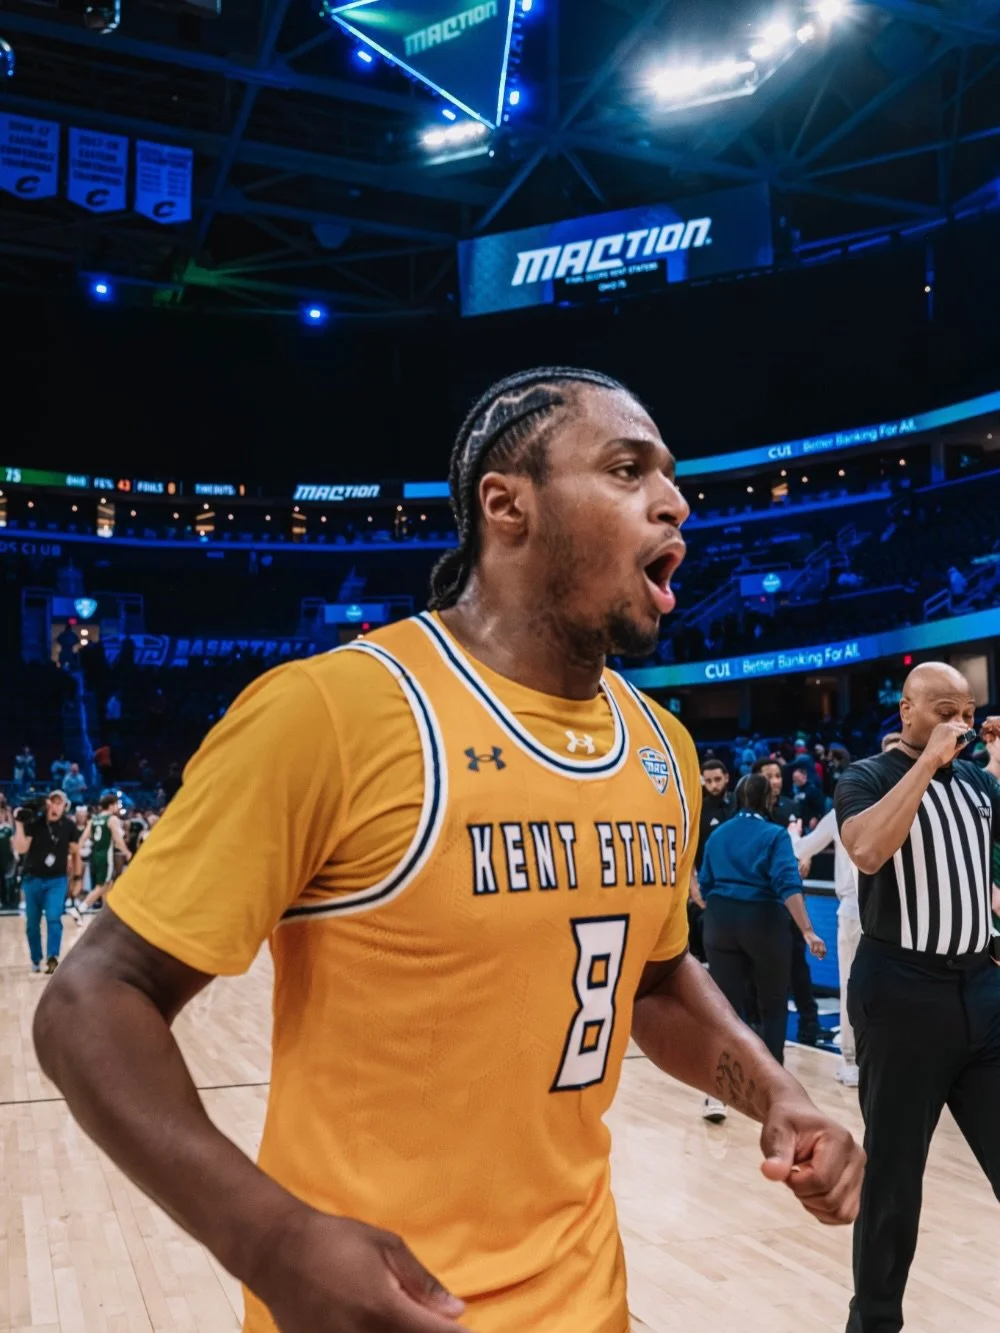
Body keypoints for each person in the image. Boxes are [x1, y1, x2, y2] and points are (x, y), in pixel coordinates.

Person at [33, 368, 863, 1333]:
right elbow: (92, 998)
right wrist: (267, 1238)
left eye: (670, 477)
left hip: (593, 1303)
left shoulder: (663, 747)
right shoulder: (333, 712)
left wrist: (775, 1090)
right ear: (505, 505)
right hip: (373, 1310)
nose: (674, 500)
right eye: (627, 468)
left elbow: (650, 978)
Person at [836, 663, 1000, 1333]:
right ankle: (874, 1322)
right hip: (901, 992)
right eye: (943, 712)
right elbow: (868, 850)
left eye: (966, 711)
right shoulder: (866, 777)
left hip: (981, 989)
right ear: (907, 710)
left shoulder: (977, 784)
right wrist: (928, 762)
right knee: (895, 1183)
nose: (957, 724)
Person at [699, 773, 826, 1121]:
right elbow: (788, 884)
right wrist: (809, 932)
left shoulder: (718, 833)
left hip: (720, 922)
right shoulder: (774, 835)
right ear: (768, 801)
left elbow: (704, 883)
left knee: (725, 1011)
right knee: (772, 1006)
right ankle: (773, 1094)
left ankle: (716, 1095)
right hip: (763, 922)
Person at [791, 768, 861, 1087]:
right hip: (894, 910)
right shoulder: (893, 805)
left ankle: (852, 1061)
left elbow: (801, 850)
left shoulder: (838, 814)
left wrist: (793, 833)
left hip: (854, 909)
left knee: (851, 983)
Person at [753, 755, 822, 1045]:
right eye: (769, 776)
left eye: (778, 775)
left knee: (798, 963)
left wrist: (806, 857)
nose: (776, 781)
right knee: (758, 965)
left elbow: (803, 844)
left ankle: (809, 1023)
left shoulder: (792, 808)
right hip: (760, 898)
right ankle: (755, 1024)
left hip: (789, 896)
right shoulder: (749, 810)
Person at [12, 790, 82, 974]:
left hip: (56, 880)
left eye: (60, 803)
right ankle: (36, 959)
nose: (56, 806)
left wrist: (77, 878)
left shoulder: (69, 826)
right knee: (32, 924)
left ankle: (53, 957)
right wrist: (19, 823)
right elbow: (21, 848)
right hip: (32, 879)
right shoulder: (34, 823)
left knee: (53, 917)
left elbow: (75, 853)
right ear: (47, 803)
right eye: (53, 801)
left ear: (65, 806)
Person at [689, 758, 735, 960]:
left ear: (726, 777)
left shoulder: (739, 804)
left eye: (717, 779)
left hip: (741, 887)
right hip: (710, 889)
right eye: (708, 781)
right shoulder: (697, 810)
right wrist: (693, 886)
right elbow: (688, 852)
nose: (714, 785)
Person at [83, 792, 132, 911]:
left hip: (95, 854)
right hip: (106, 855)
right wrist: (127, 852)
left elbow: (84, 837)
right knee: (102, 886)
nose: (117, 807)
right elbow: (118, 840)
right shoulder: (112, 818)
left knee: (108, 884)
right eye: (116, 805)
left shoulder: (94, 819)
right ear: (111, 805)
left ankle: (106, 913)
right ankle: (81, 908)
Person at [790, 760, 826, 829]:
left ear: (804, 776)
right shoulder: (795, 791)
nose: (795, 780)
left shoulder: (813, 791)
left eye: (797, 777)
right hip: (799, 823)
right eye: (794, 778)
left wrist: (816, 817)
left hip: (809, 825)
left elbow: (821, 807)